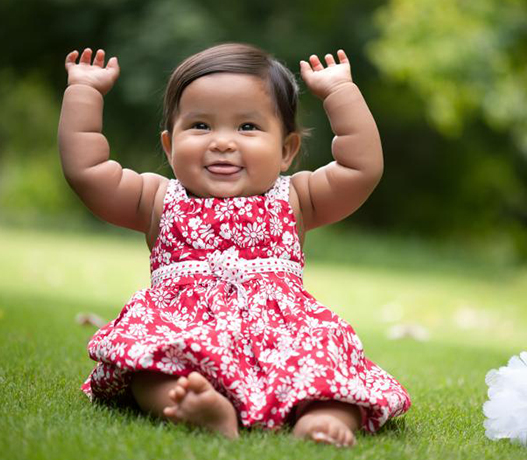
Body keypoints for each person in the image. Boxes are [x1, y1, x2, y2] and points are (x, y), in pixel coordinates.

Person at [58, 43, 410, 447]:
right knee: (147, 364)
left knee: (326, 355)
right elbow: (87, 172)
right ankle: (199, 407)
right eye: (201, 126)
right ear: (170, 147)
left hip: (284, 337)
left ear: (286, 150)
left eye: (247, 127)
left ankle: (322, 416)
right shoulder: (156, 199)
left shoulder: (296, 197)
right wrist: (83, 91)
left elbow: (360, 168)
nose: (222, 142)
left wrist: (339, 92)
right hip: (186, 333)